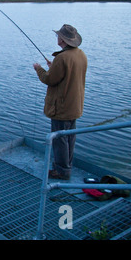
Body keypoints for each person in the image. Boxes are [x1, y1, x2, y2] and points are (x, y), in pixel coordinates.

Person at [33, 24, 87, 180]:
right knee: (70, 137)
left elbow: (49, 79)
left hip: (61, 107)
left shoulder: (62, 57)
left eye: (58, 36)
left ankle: (62, 171)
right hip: (75, 105)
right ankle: (66, 166)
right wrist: (53, 66)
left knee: (59, 139)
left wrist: (39, 68)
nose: (57, 38)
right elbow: (68, 74)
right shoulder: (81, 54)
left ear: (62, 40)